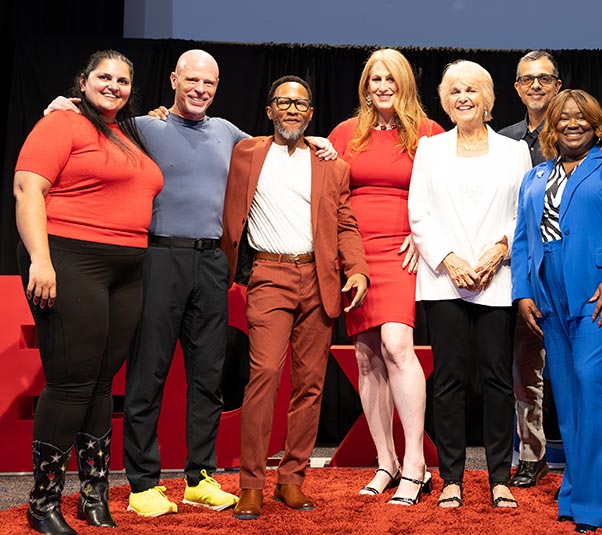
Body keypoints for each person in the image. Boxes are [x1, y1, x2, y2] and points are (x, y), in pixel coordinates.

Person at [40, 49, 338, 517]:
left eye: (210, 84)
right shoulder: (146, 127)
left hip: (213, 263)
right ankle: (143, 482)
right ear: (175, 79)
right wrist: (64, 104)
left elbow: (280, 141)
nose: (201, 90)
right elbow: (102, 118)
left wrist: (319, 141)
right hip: (160, 257)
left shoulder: (230, 135)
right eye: (192, 80)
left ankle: (200, 476)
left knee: (208, 377)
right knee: (149, 372)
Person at [14, 49, 163, 534]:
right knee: (71, 383)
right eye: (104, 76)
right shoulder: (62, 123)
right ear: (83, 80)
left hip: (127, 268)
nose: (113, 85)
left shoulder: (127, 133)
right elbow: (27, 189)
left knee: (101, 383)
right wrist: (41, 259)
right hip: (70, 258)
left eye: (122, 80)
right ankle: (43, 504)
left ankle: (93, 495)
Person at [222, 75, 369, 520]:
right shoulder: (245, 152)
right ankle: (251, 484)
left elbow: (345, 223)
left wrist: (358, 267)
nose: (291, 109)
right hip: (269, 273)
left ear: (310, 114)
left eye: (300, 104)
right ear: (269, 111)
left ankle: (292, 479)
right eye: (283, 103)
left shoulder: (331, 165)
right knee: (264, 373)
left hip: (319, 276)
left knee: (310, 385)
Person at [512, 89, 602, 532]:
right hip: (549, 293)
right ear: (551, 126)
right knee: (570, 399)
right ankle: (577, 492)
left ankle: (594, 507)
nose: (573, 124)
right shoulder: (535, 175)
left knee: (593, 390)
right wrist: (522, 293)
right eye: (563, 118)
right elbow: (521, 238)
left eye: (581, 118)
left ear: (597, 123)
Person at [408, 60, 530, 510]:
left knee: (498, 380)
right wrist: (449, 259)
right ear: (446, 100)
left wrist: (499, 252)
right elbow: (418, 212)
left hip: (497, 279)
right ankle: (452, 479)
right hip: (444, 281)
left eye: (472, 90)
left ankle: (500, 478)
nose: (463, 97)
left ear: (488, 99)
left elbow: (524, 213)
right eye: (455, 90)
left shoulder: (514, 151)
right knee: (450, 381)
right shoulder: (430, 149)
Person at [327, 48, 444, 504]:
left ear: (404, 85)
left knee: (397, 345)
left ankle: (415, 463)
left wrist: (423, 234)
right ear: (365, 85)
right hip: (355, 255)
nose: (381, 87)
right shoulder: (345, 133)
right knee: (365, 356)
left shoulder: (428, 134)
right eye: (374, 79)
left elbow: (444, 193)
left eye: (390, 80)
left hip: (400, 251)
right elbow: (326, 190)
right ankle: (386, 462)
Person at [497, 49, 562, 488]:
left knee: (582, 369)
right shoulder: (502, 141)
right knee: (526, 368)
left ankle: (588, 453)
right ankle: (531, 454)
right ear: (517, 88)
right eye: (527, 79)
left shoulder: (580, 131)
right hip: (521, 265)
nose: (536, 85)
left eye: (544, 78)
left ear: (558, 84)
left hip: (571, 265)